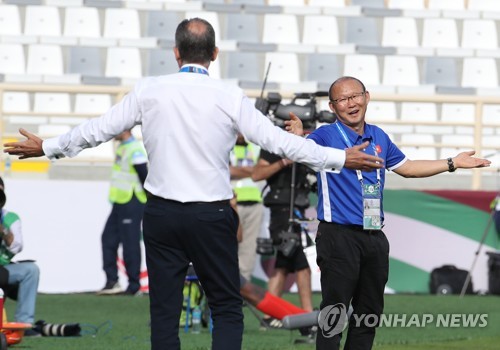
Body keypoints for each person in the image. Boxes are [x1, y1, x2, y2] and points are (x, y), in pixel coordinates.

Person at [3, 19, 384, 350]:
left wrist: (49, 146)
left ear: (176, 53)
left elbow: (98, 130)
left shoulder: (149, 89)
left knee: (164, 310)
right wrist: (339, 157)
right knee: (225, 306)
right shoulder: (228, 95)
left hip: (162, 214)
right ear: (215, 53)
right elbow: (278, 143)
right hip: (211, 214)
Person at [289, 76, 491, 350]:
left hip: (374, 237)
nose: (351, 104)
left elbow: (407, 168)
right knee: (334, 313)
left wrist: (452, 162)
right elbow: (304, 152)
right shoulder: (326, 135)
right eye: (343, 100)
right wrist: (298, 137)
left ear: (367, 96)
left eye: (355, 96)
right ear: (332, 106)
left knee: (369, 315)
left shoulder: (379, 136)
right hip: (339, 236)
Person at [252, 153, 314, 328]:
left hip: (297, 211)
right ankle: (308, 316)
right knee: (301, 265)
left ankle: (268, 316)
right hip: (281, 212)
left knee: (283, 264)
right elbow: (257, 174)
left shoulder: (307, 146)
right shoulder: (274, 145)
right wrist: (284, 161)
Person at [97, 130, 148, 296]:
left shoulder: (135, 148)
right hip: (120, 201)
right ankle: (112, 281)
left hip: (132, 201)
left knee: (130, 244)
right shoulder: (123, 147)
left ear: (125, 130)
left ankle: (134, 286)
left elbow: (144, 175)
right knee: (108, 239)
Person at [0, 176, 41, 336]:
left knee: (31, 270)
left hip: (2, 269)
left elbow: (17, 247)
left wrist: (3, 230)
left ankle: (23, 324)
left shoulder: (10, 218)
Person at [230, 133, 264, 281]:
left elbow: (261, 171)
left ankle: (243, 290)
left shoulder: (255, 147)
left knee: (248, 251)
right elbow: (227, 170)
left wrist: (239, 171)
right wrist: (252, 171)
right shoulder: (226, 146)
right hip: (231, 203)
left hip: (254, 203)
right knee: (226, 246)